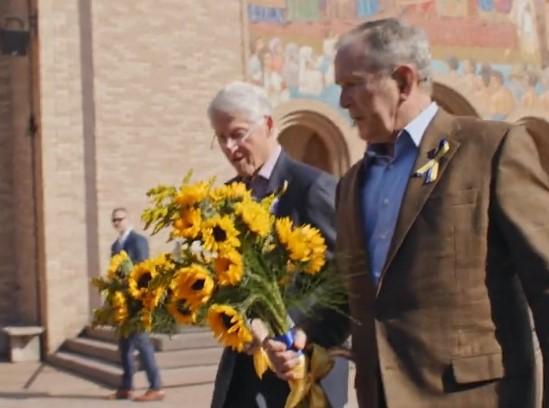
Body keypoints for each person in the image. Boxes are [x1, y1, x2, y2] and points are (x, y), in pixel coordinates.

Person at [265, 18, 549, 407]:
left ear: (403, 80)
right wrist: (305, 336)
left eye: (351, 84)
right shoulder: (350, 185)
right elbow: (353, 292)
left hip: (477, 397)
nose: (343, 101)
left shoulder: (491, 149)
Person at [208, 81, 349, 408]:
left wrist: (300, 333)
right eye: (220, 138)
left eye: (238, 133)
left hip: (302, 375)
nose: (230, 147)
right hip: (243, 379)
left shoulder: (313, 187)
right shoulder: (227, 198)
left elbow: (345, 282)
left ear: (269, 125)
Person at [109, 207, 165, 402]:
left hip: (137, 300)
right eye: (113, 221)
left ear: (127, 218)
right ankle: (126, 387)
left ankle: (156, 386)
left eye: (119, 219)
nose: (116, 223)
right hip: (123, 302)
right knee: (124, 344)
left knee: (142, 342)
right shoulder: (115, 245)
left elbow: (142, 269)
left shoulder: (138, 241)